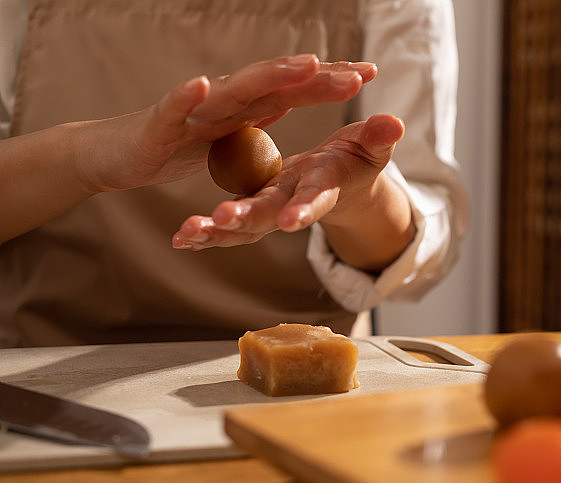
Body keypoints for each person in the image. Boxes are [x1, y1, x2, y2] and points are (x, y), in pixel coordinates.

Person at [0, 0, 467, 347]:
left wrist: (358, 197)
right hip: (37, 378)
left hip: (302, 374)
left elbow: (422, 246)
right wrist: (84, 158)